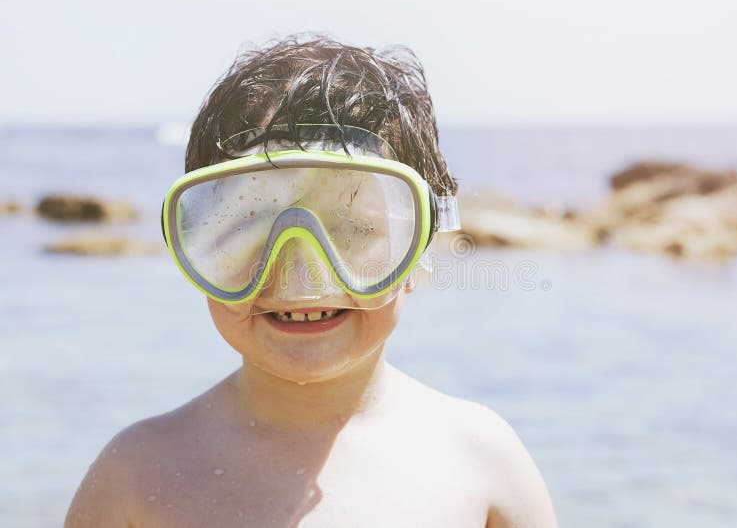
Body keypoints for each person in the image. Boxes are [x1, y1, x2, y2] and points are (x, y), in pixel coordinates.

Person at [65, 34, 558, 527]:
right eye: (250, 225)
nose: (301, 275)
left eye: (351, 229)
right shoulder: (137, 478)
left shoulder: (482, 463)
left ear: (418, 242)